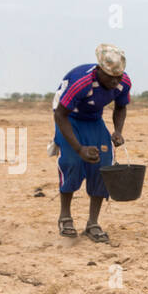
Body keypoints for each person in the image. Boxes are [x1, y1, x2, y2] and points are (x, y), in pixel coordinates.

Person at [50, 43, 131, 243]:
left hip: (94, 120)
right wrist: (79, 148)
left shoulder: (123, 83)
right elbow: (60, 114)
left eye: (118, 77)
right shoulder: (82, 82)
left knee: (103, 166)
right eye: (110, 77)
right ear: (99, 70)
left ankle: (92, 223)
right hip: (69, 119)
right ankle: (65, 217)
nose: (115, 82)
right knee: (73, 162)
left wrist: (118, 131)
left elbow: (120, 107)